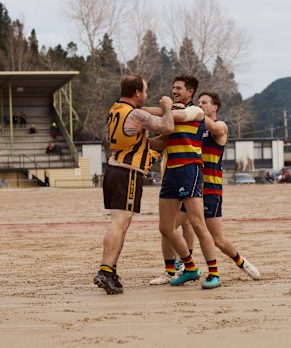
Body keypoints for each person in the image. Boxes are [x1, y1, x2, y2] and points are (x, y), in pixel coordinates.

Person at [149, 91, 260, 285]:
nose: (201, 105)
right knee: (170, 228)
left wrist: (188, 110)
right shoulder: (194, 124)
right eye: (199, 102)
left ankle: (241, 262)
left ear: (214, 107)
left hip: (210, 188)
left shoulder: (219, 127)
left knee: (218, 239)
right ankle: (179, 267)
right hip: (191, 182)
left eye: (204, 103)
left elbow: (212, 126)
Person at [93, 74, 175, 295]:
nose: (146, 95)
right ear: (137, 93)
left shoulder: (116, 109)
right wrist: (167, 107)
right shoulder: (136, 114)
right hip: (126, 173)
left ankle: (110, 270)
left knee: (121, 223)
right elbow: (166, 127)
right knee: (119, 223)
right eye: (145, 91)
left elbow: (143, 137)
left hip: (114, 169)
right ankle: (105, 269)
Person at [146, 75, 222, 290]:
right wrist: (135, 118)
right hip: (171, 172)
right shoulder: (169, 114)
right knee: (165, 228)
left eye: (179, 88)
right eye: (173, 88)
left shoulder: (195, 111)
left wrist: (158, 109)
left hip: (190, 170)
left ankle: (213, 273)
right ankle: (190, 268)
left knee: (198, 224)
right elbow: (162, 140)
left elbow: (172, 114)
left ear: (190, 93)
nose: (174, 90)